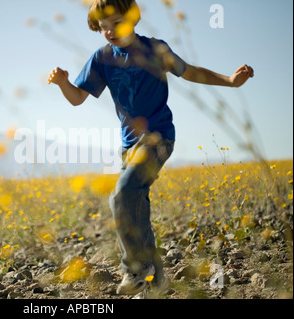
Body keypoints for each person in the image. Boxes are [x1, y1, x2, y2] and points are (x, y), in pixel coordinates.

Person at [47, 0, 254, 296]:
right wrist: (63, 83)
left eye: (116, 23)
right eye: (103, 27)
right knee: (135, 210)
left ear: (132, 18)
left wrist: (231, 81)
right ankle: (155, 279)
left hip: (159, 137)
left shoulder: (155, 49)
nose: (109, 31)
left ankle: (135, 270)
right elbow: (78, 98)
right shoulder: (102, 58)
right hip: (129, 147)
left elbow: (191, 72)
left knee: (121, 195)